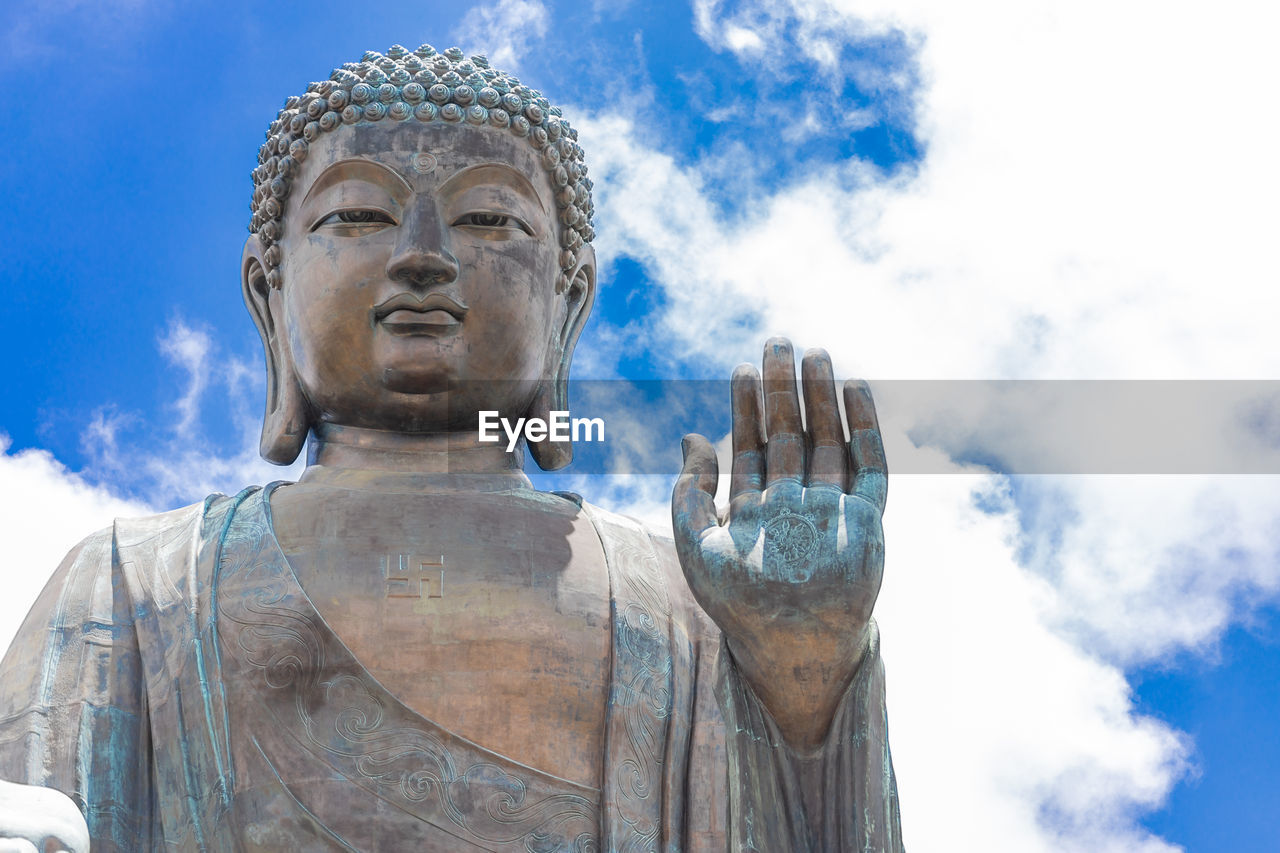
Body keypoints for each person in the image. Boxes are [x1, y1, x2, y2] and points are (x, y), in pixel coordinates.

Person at [0, 45, 904, 852]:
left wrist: (807, 669)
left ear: (570, 300)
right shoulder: (135, 582)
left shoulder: (686, 597)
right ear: (267, 291)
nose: (424, 255)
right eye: (357, 216)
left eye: (489, 222)